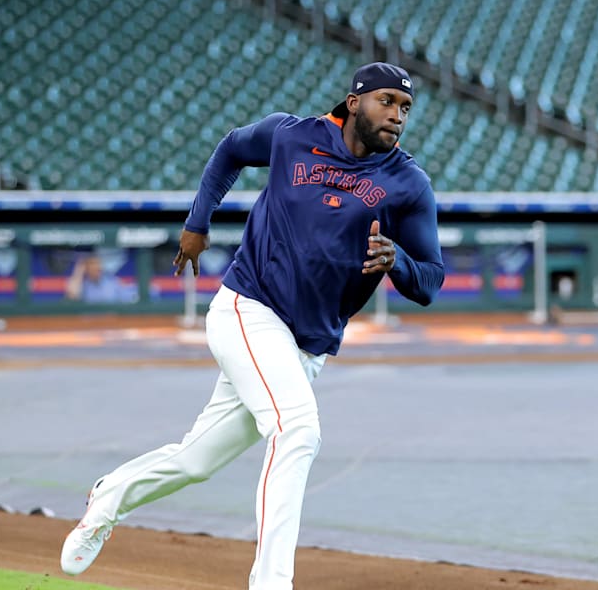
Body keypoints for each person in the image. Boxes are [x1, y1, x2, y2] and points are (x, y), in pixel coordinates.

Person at [60, 62, 445, 589]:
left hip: (306, 346)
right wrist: (198, 222)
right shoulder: (292, 137)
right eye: (386, 101)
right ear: (353, 102)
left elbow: (430, 281)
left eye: (405, 108)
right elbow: (231, 150)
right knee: (297, 430)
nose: (397, 115)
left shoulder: (407, 184)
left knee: (196, 460)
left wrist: (397, 261)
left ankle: (109, 497)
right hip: (248, 308)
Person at [63, 252, 139, 304]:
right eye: (93, 265)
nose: (97, 268)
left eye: (98, 265)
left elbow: (130, 295)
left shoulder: (111, 282)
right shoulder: (82, 285)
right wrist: (79, 270)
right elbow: (71, 298)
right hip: (89, 324)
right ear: (86, 268)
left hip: (111, 323)